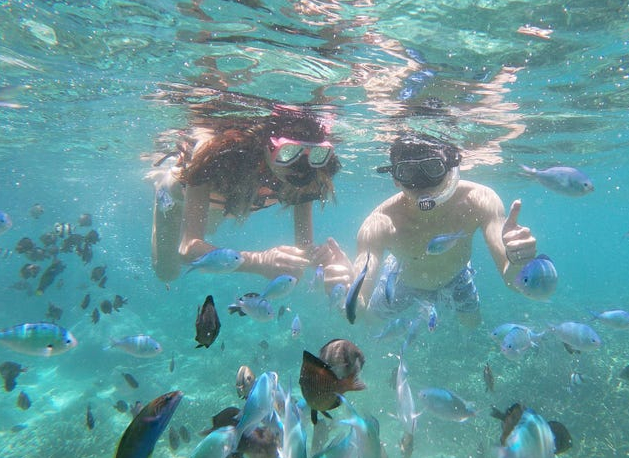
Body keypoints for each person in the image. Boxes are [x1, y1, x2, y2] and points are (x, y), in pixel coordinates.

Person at [323, 132, 537, 328]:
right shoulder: (380, 223)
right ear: (396, 179)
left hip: (457, 275)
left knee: (473, 325)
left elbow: (512, 281)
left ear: (451, 170)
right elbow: (357, 312)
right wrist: (346, 295)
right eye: (407, 171)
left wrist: (517, 261)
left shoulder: (480, 200)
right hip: (403, 282)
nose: (422, 184)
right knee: (371, 322)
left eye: (433, 168)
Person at [148, 94, 342, 282]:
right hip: (176, 199)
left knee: (210, 230)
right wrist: (258, 263)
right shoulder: (220, 156)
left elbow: (304, 248)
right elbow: (189, 248)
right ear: (267, 145)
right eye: (289, 151)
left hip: (224, 206)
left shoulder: (311, 173)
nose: (301, 165)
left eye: (316, 154)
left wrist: (314, 257)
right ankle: (160, 178)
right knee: (167, 272)